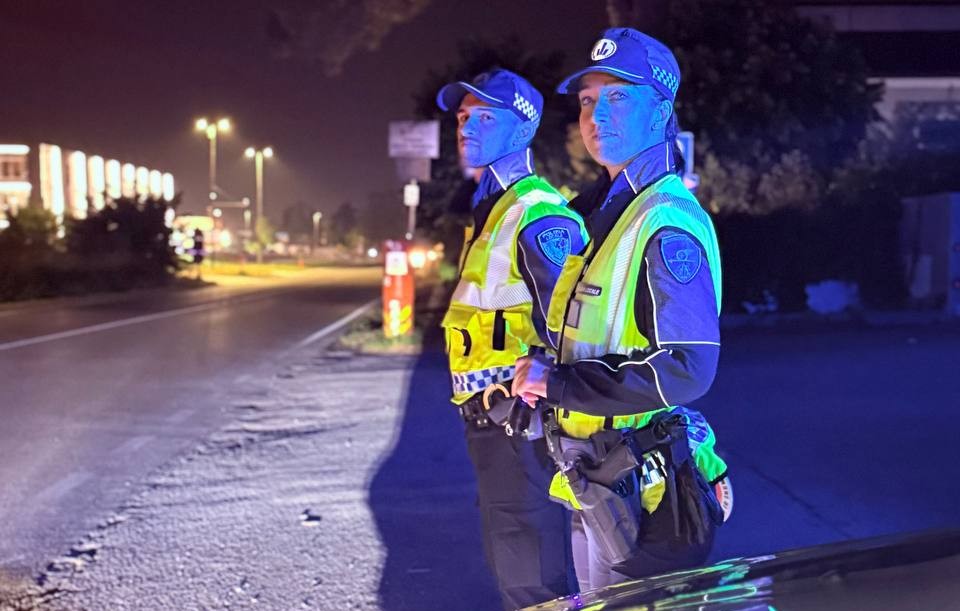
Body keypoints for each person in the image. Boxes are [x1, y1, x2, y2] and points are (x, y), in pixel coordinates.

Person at [513, 28, 732, 592]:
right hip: (596, 477)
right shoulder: (599, 212)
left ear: (661, 112)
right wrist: (542, 371)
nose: (596, 116)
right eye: (588, 100)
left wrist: (559, 385)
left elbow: (687, 368)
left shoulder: (665, 220)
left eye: (618, 97)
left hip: (643, 492)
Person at [436, 68, 588, 609]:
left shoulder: (537, 214)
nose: (466, 127)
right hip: (491, 421)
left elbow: (571, 324)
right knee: (514, 563)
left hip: (521, 424)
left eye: (484, 116)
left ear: (523, 128)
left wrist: (538, 395)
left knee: (534, 578)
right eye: (462, 117)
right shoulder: (490, 210)